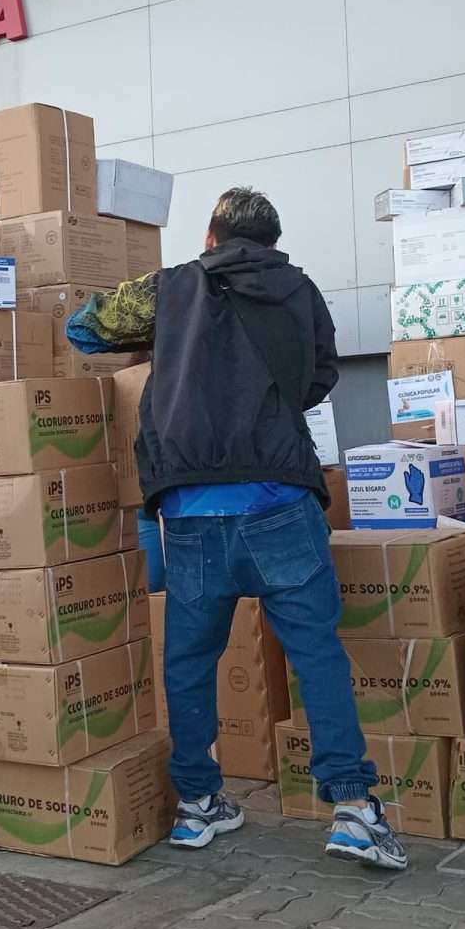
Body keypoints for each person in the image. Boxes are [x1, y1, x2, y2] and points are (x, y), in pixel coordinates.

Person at [68, 187, 406, 870]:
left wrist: (166, 340)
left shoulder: (172, 288)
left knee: (190, 661)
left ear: (212, 237)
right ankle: (353, 810)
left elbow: (84, 327)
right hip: (279, 497)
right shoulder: (300, 290)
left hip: (191, 507)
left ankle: (197, 806)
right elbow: (319, 379)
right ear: (273, 241)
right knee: (315, 653)